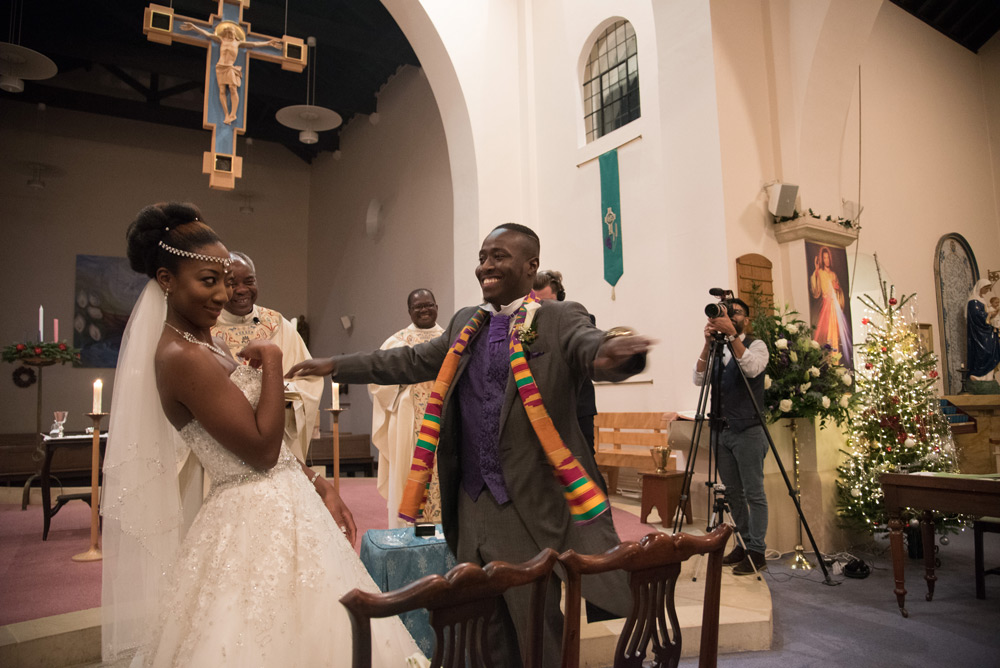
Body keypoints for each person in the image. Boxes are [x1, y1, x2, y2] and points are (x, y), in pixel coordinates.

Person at [288, 223, 652, 667]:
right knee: (484, 629)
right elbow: (409, 359)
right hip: (469, 503)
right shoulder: (467, 322)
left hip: (527, 506)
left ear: (530, 265)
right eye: (482, 257)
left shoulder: (558, 317)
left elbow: (589, 346)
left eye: (499, 256)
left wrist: (617, 354)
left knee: (534, 630)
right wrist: (335, 364)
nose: (485, 266)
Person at [101, 203, 423, 667]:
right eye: (208, 281)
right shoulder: (179, 355)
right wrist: (272, 359)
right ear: (168, 281)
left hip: (284, 503)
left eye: (226, 281)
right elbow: (261, 449)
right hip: (250, 517)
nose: (222, 294)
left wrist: (317, 483)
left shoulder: (205, 342)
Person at [212, 251, 323, 462]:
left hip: (276, 436)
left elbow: (309, 379)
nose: (242, 289)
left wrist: (282, 391)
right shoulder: (206, 326)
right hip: (223, 437)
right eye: (232, 283)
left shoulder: (279, 325)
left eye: (249, 281)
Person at [693, 297, 770, 576]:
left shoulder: (756, 345)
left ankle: (757, 551)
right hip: (721, 431)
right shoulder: (715, 349)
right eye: (724, 313)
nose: (728, 316)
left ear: (745, 320)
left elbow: (751, 369)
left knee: (754, 493)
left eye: (735, 313)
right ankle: (744, 542)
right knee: (733, 494)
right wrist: (707, 344)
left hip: (748, 430)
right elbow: (698, 379)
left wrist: (732, 335)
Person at [369, 288, 445, 528]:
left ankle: (446, 537)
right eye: (418, 307)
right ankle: (408, 535)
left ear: (436, 306)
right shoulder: (397, 342)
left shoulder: (450, 339)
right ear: (409, 311)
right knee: (407, 472)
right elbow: (377, 381)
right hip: (408, 423)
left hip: (445, 424)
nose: (424, 310)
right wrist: (404, 382)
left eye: (428, 305)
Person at [533, 270, 599, 456]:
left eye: (547, 303)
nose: (542, 309)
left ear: (560, 298)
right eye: (536, 303)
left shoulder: (580, 320)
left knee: (583, 464)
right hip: (541, 411)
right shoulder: (525, 328)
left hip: (577, 408)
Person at [180, 21, 282, 124]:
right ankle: (227, 114)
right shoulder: (222, 40)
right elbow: (207, 34)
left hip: (229, 67)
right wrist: (194, 27)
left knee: (233, 89)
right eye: (230, 32)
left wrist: (268, 43)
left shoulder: (238, 43)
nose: (232, 34)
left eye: (233, 33)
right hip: (220, 67)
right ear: (227, 33)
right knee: (222, 91)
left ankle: (233, 114)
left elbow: (254, 44)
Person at [810, 246, 852, 367]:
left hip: (835, 307)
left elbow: (840, 293)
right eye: (824, 258)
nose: (826, 260)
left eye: (828, 257)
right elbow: (816, 291)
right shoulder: (820, 273)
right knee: (825, 334)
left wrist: (837, 290)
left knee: (835, 335)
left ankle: (835, 360)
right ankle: (826, 362)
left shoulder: (833, 274)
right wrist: (816, 270)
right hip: (826, 306)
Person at [967, 278, 1000, 381]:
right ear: (980, 288)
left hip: (988, 330)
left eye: (988, 289)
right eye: (985, 288)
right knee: (983, 351)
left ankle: (988, 377)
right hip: (979, 332)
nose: (986, 291)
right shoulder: (973, 300)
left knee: (992, 351)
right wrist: (990, 314)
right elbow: (977, 315)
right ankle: (978, 375)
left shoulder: (982, 300)